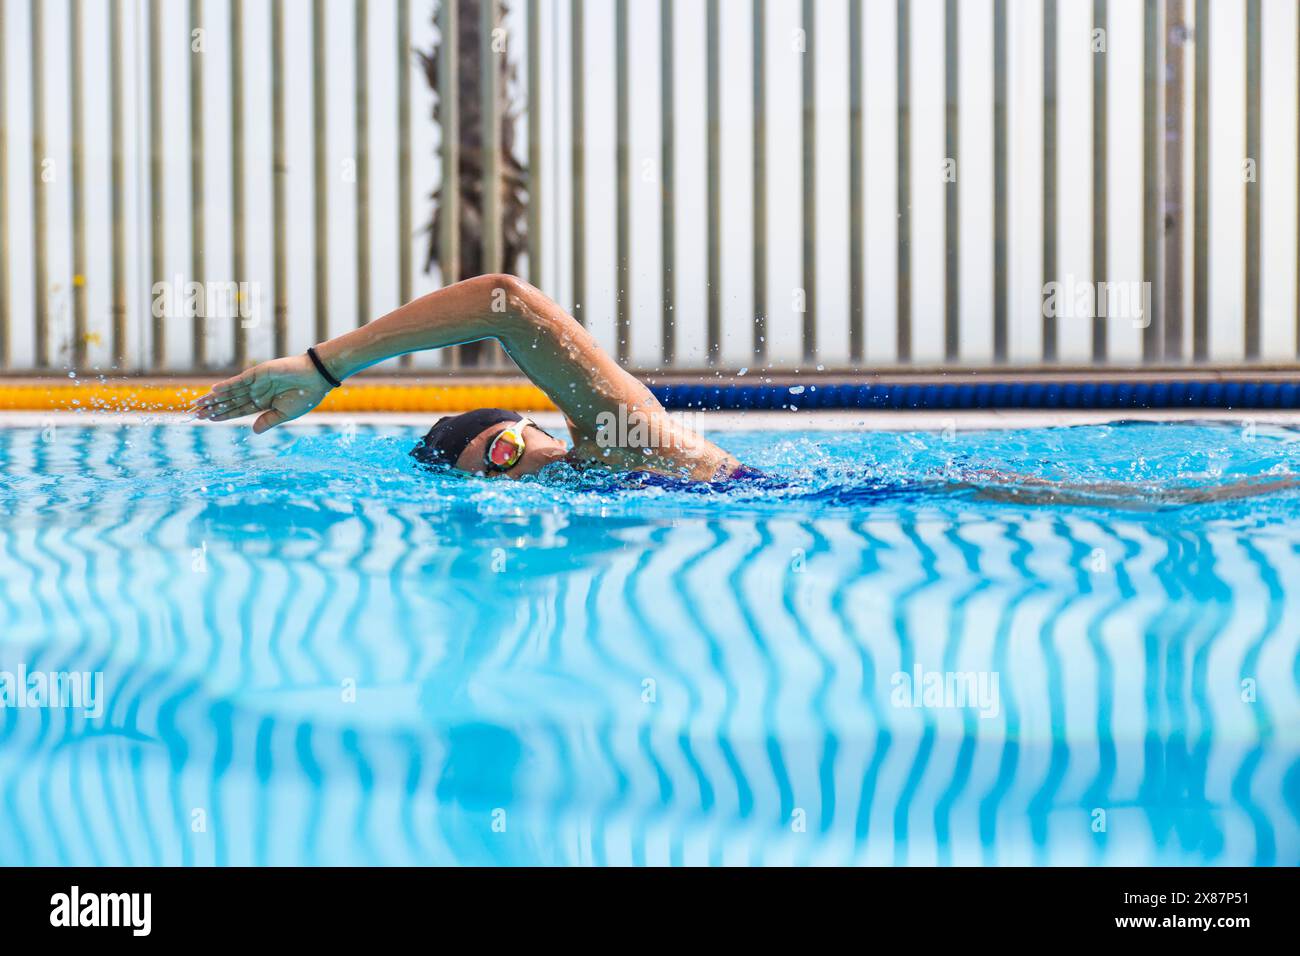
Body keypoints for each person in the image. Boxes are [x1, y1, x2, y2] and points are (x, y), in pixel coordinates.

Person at [193, 274, 749, 481]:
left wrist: (324, 366)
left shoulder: (618, 440)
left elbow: (500, 304)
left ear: (537, 429)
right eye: (490, 476)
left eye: (504, 452)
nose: (509, 475)